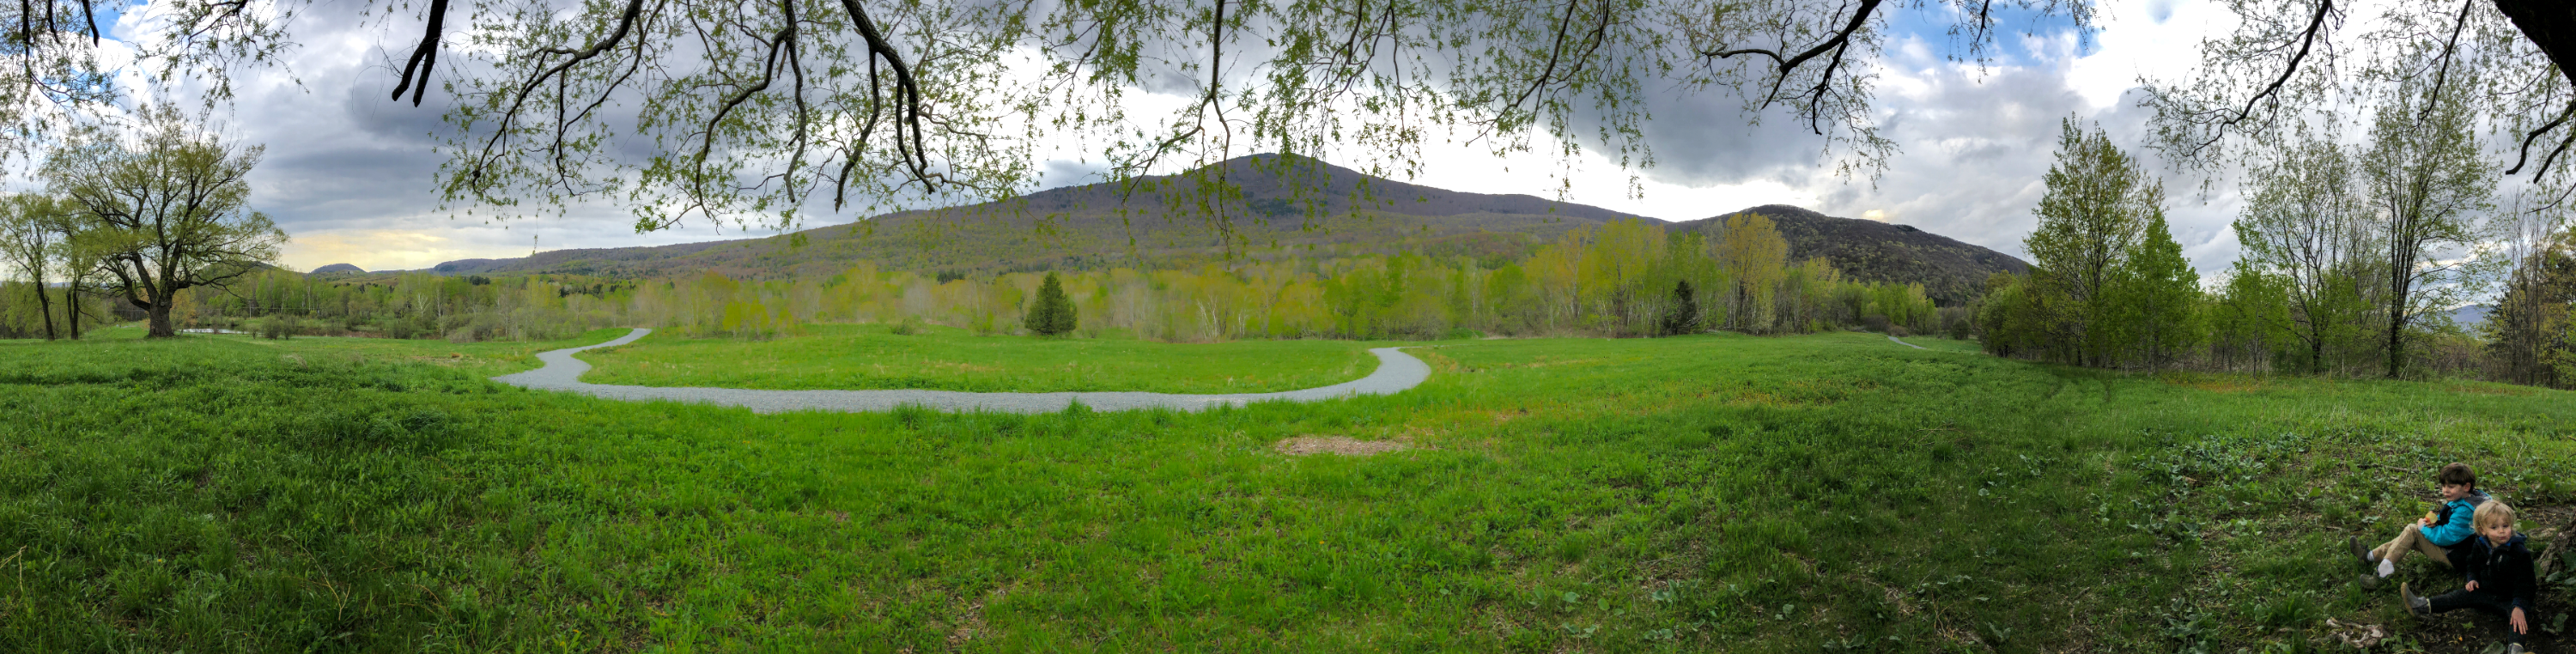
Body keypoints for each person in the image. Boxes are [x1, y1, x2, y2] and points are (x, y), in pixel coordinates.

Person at [2402, 500, 2537, 654]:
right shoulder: (2480, 544)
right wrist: (2472, 579)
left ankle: (2517, 649)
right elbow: (2471, 563)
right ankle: (2421, 606)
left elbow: (2526, 584)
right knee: (2457, 596)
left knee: (2518, 620)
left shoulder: (2519, 553)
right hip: (2485, 591)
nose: (2501, 531)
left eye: (2505, 526)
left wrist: (2519, 605)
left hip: (2509, 598)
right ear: (2482, 530)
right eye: (2494, 527)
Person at [2349, 463, 2487, 578]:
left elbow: (2446, 537)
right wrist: (2436, 521)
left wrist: (2423, 528)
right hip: (2455, 551)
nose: (2445, 491)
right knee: (2408, 536)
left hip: (2453, 557)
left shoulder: (2465, 511)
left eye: (2451, 487)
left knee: (2413, 530)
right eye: (2444, 486)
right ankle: (2369, 557)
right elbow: (2453, 524)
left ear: (2466, 487)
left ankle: (2381, 574)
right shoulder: (2471, 500)